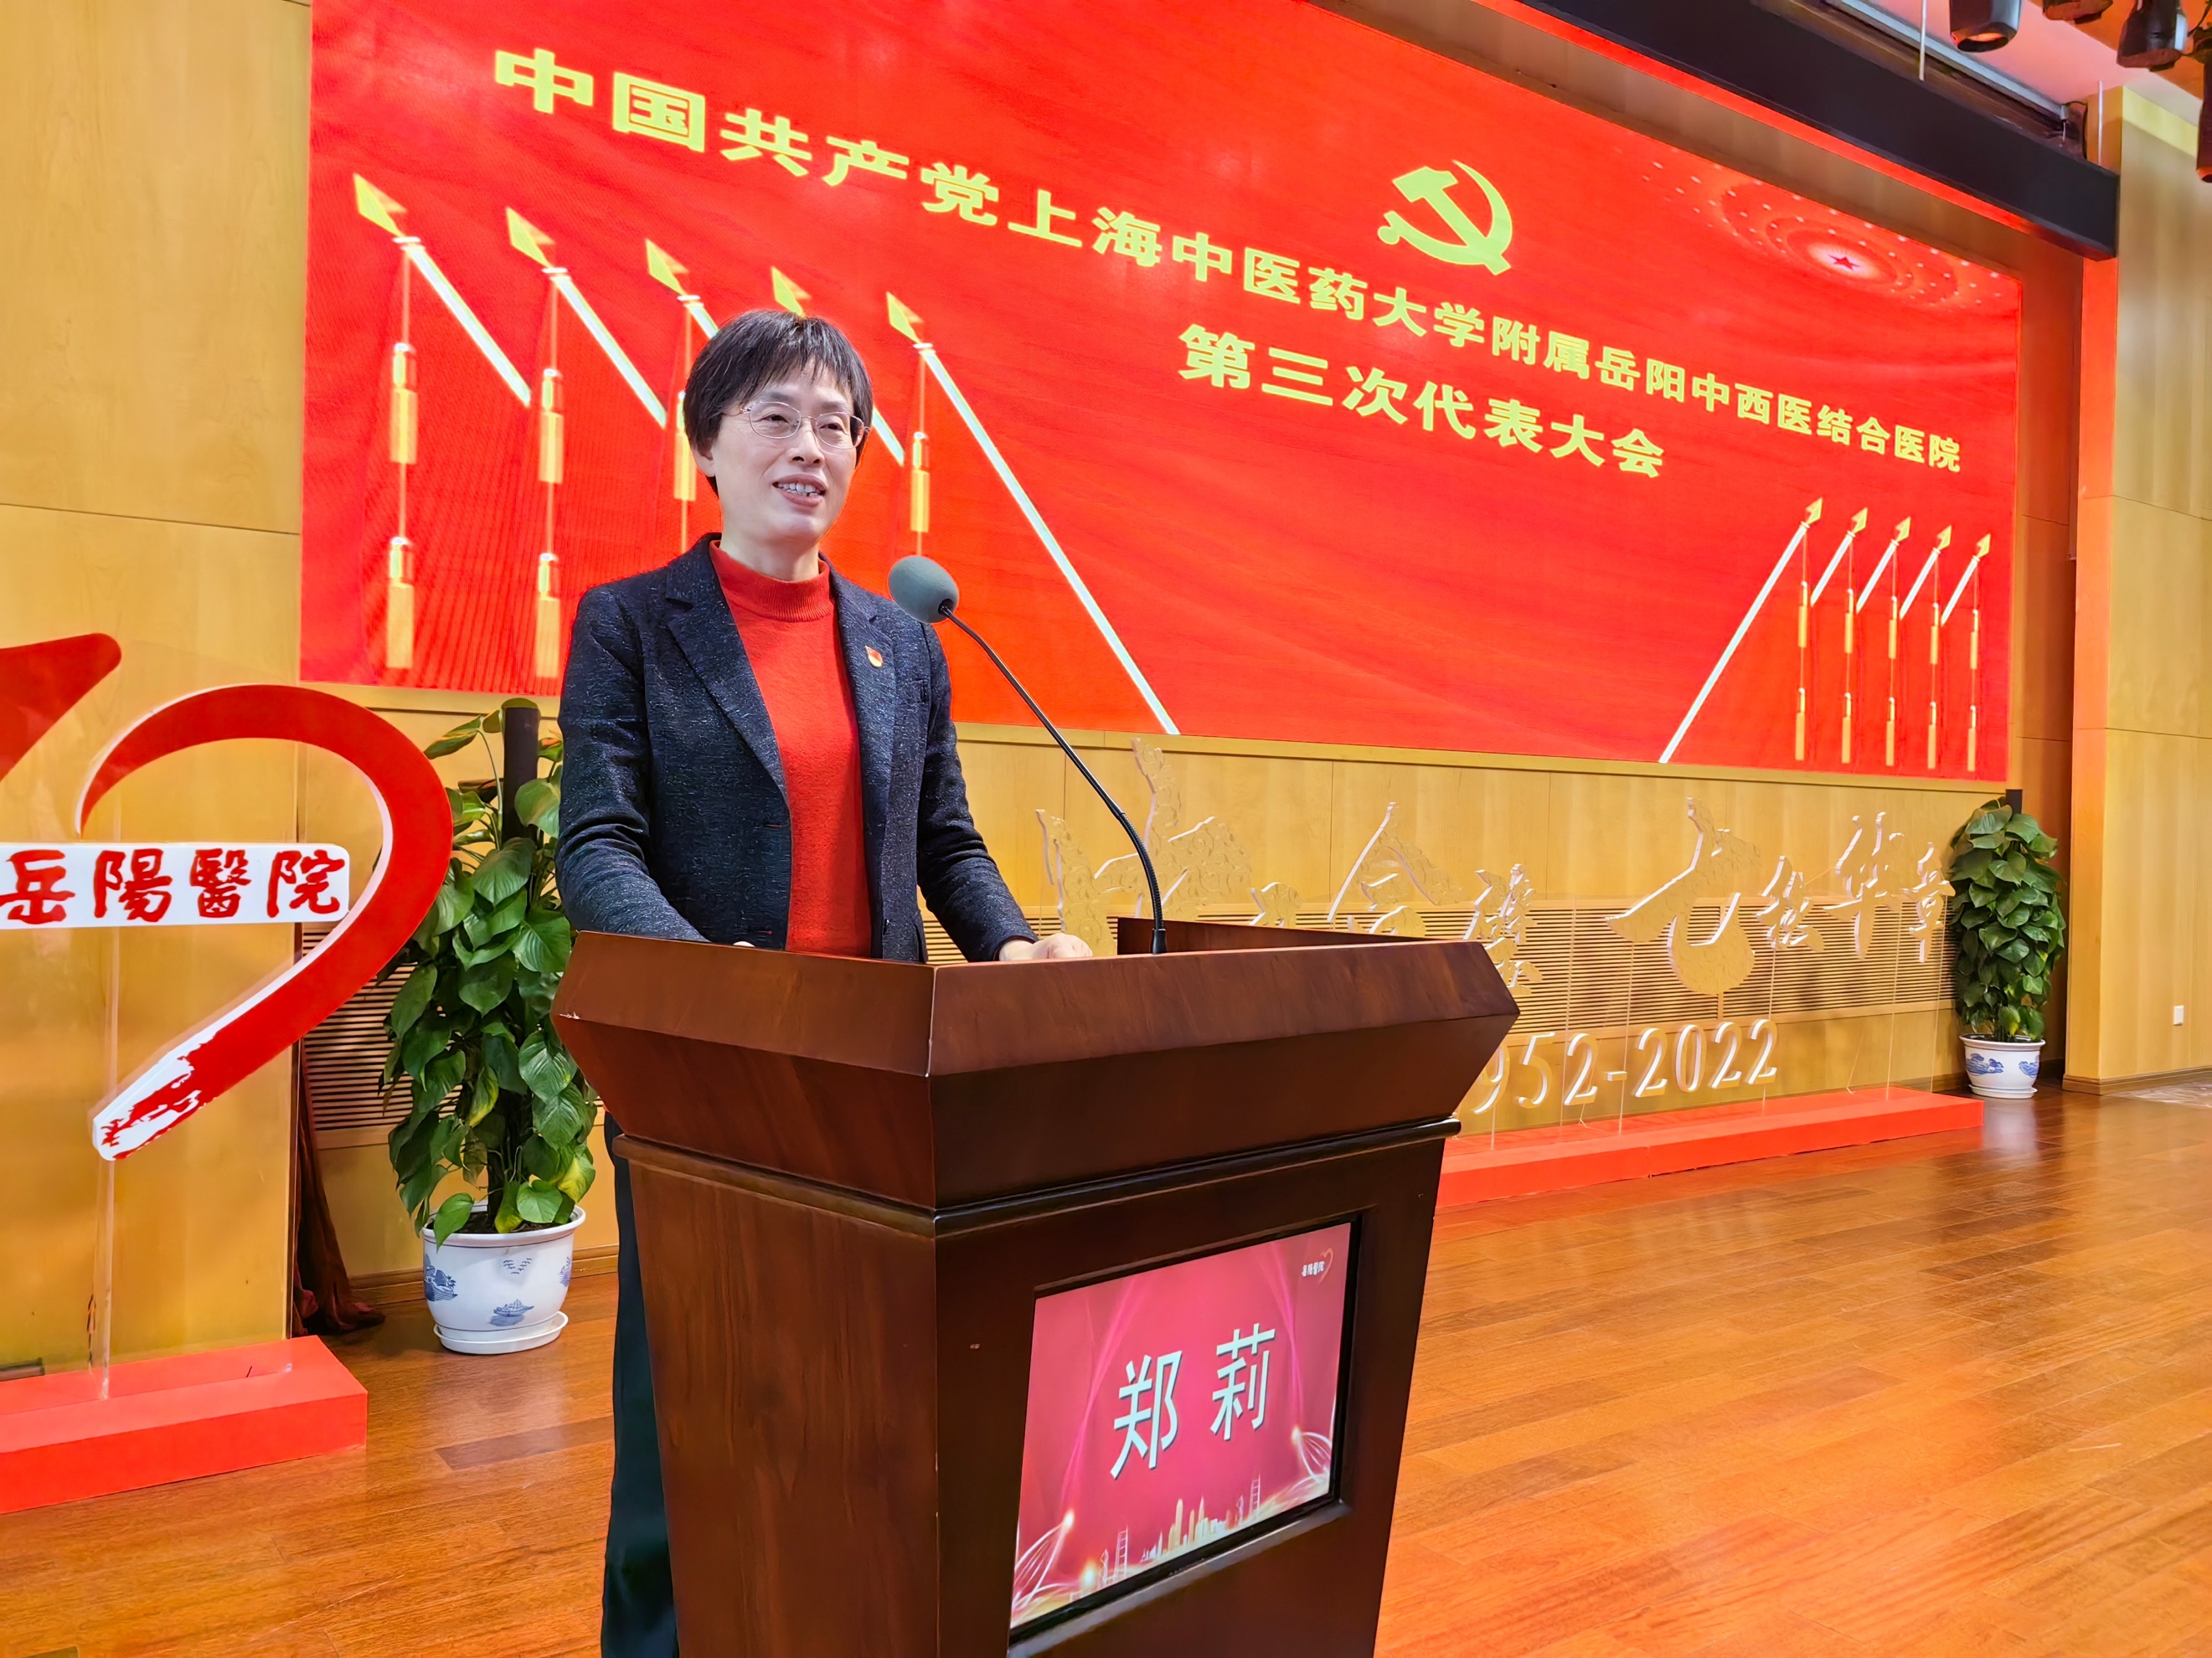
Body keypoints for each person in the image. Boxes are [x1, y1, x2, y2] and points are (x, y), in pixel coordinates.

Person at [554, 308, 1091, 1655]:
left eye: (837, 425)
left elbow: (943, 843)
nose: (812, 447)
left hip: (880, 1082)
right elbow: (597, 844)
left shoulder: (902, 642)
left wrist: (1014, 947)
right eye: (778, 418)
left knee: (864, 1407)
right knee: (688, 1407)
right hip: (713, 1075)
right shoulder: (630, 623)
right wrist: (710, 986)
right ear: (708, 447)